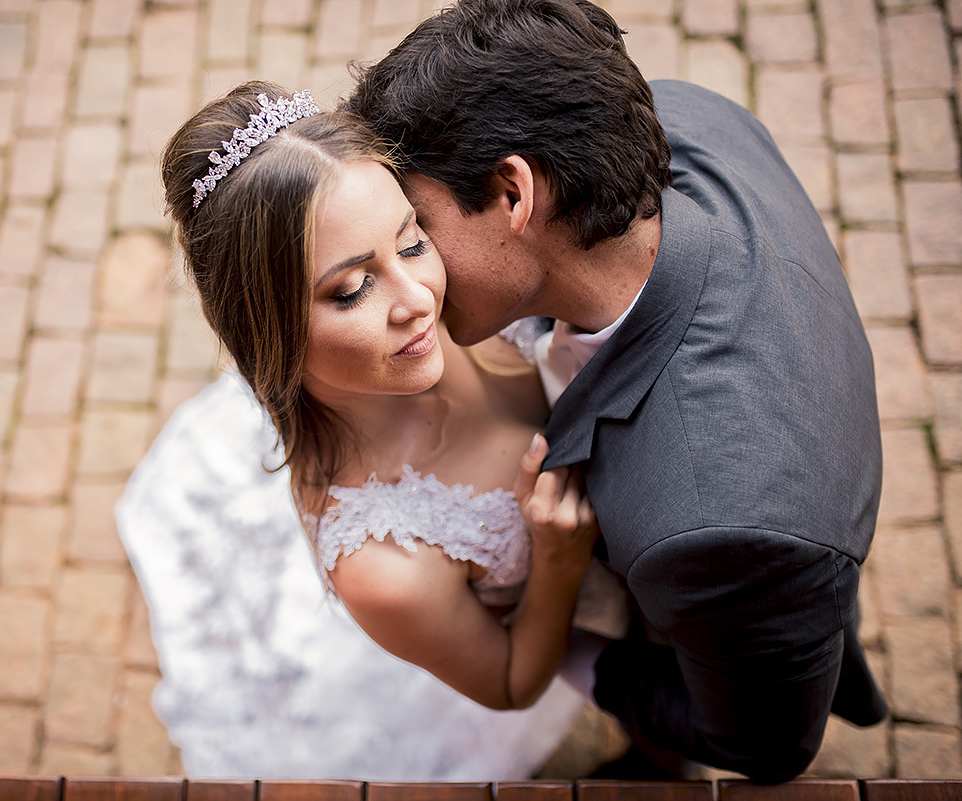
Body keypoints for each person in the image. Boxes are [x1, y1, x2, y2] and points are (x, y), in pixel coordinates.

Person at [345, 0, 888, 783]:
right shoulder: (686, 114)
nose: (415, 277)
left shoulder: (717, 530)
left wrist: (552, 638)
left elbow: (763, 746)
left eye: (419, 228)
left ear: (512, 194)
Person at [116, 81, 628, 779]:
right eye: (353, 289)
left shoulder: (457, 283)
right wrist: (559, 563)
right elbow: (510, 683)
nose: (417, 301)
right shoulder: (385, 562)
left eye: (411, 240)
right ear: (270, 328)